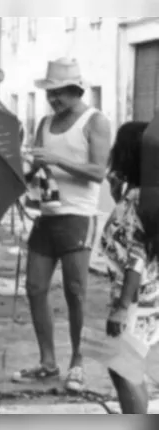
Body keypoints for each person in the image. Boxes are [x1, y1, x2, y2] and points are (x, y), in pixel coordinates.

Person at [11, 58, 111, 391]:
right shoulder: (44, 122)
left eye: (59, 94)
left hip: (78, 216)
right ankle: (47, 362)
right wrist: (27, 170)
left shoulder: (94, 121)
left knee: (76, 292)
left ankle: (78, 362)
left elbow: (99, 171)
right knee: (35, 287)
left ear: (76, 90)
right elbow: (41, 167)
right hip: (48, 214)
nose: (53, 100)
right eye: (50, 94)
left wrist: (58, 160)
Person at [98, 121, 158, 414]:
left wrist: (123, 305)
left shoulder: (138, 198)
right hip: (147, 297)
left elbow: (137, 253)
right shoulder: (143, 194)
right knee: (124, 368)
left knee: (125, 369)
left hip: (135, 298)